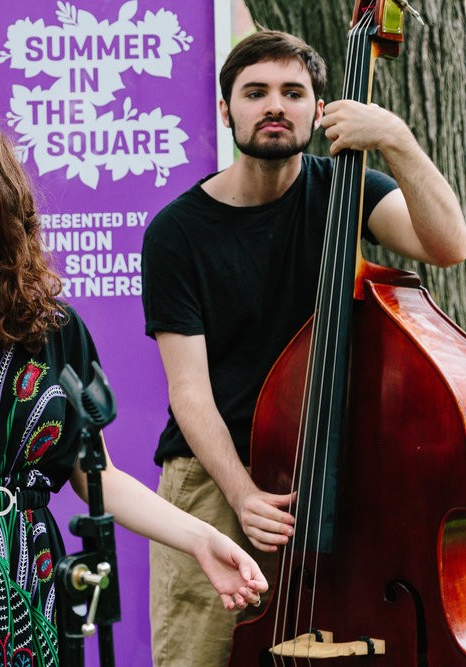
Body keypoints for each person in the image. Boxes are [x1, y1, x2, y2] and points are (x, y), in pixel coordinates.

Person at [0, 104, 268, 667]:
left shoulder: (53, 331)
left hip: (34, 590)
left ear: (0, 198)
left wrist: (198, 538)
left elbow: (97, 476)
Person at [141, 29, 466, 666]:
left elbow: (449, 243)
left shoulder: (347, 190)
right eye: (255, 91)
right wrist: (242, 495)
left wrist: (396, 139)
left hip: (337, 476)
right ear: (224, 109)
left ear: (318, 111)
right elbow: (188, 392)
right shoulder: (176, 233)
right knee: (198, 658)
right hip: (217, 476)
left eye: (293, 93)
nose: (274, 106)